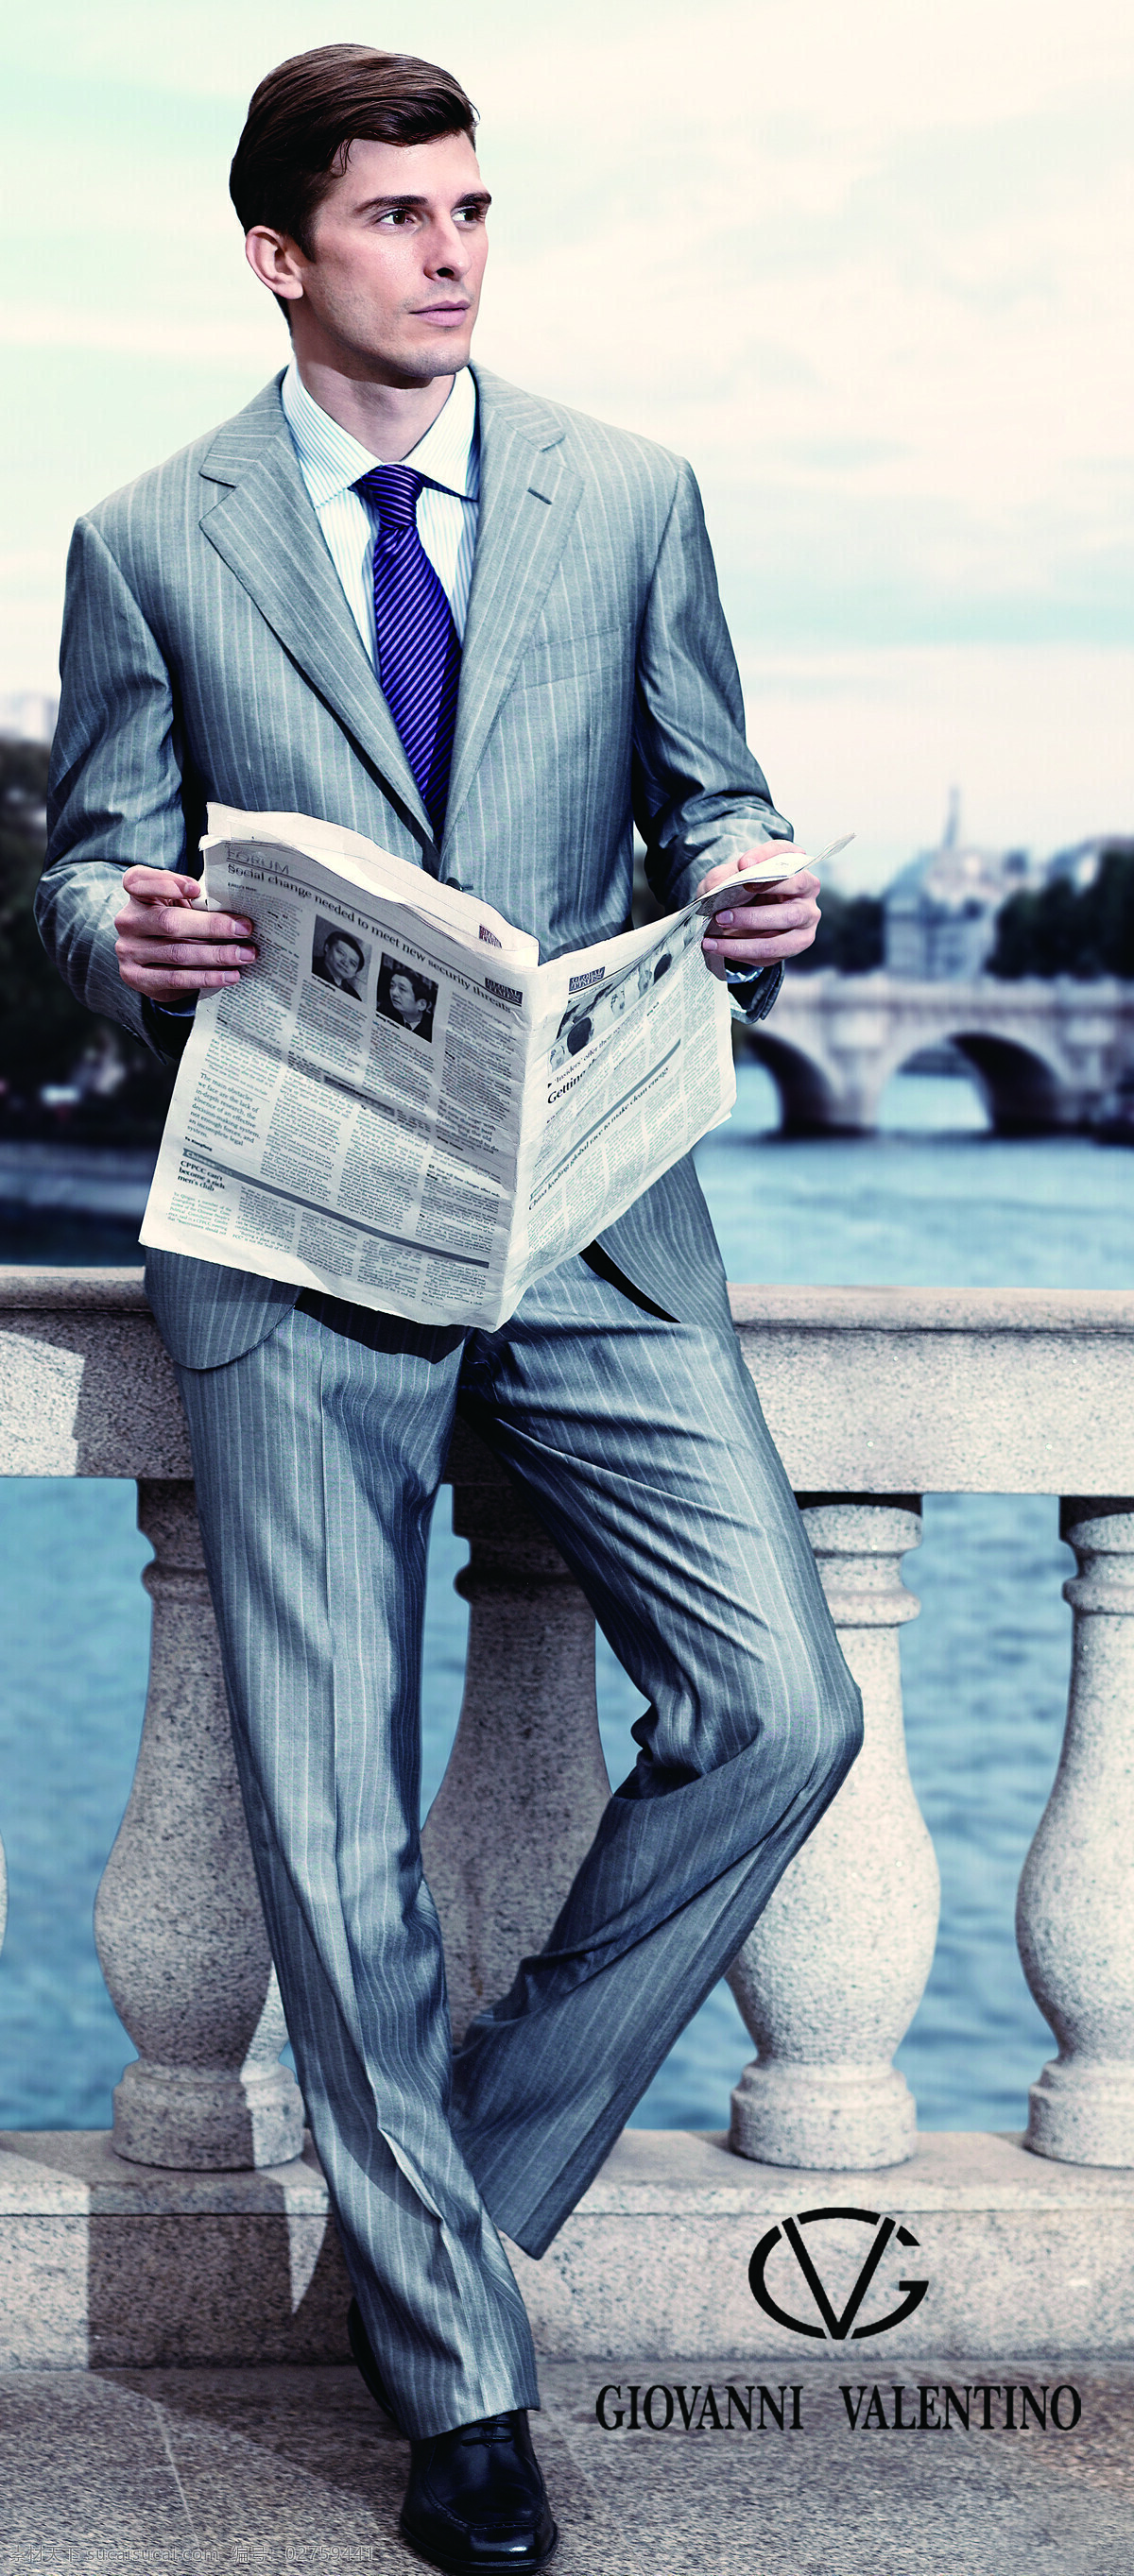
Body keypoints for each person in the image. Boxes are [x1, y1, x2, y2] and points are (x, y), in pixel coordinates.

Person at [37, 45, 863, 2576]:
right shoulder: (143, 532)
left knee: (787, 1700)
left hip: (594, 1207)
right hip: (292, 1221)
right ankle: (462, 2391)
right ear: (281, 252)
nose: (455, 251)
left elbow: (711, 781)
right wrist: (128, 926)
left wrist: (758, 874)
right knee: (324, 1803)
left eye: (475, 206)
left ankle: (454, 2179)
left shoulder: (634, 496)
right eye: (397, 214)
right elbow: (90, 845)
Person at [313, 925, 367, 996]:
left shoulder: (354, 996)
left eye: (352, 963)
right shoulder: (308, 964)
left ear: (355, 973)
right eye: (341, 953)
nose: (345, 962)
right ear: (327, 948)